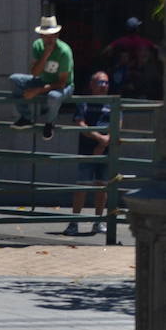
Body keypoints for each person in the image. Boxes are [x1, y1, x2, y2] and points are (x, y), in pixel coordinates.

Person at [64, 71, 112, 236]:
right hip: (86, 151)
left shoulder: (112, 103)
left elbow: (117, 126)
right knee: (81, 187)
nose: (104, 86)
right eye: (100, 83)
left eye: (106, 83)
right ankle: (74, 223)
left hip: (106, 153)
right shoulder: (83, 102)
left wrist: (104, 143)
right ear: (92, 85)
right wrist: (100, 138)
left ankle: (98, 222)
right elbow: (80, 124)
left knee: (102, 187)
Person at [9, 15, 72, 139]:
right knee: (14, 79)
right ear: (41, 36)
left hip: (64, 86)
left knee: (53, 96)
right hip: (43, 80)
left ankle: (50, 123)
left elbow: (62, 83)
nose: (50, 38)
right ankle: (26, 117)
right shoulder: (37, 46)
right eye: (47, 35)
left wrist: (38, 91)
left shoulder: (64, 51)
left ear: (57, 35)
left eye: (53, 35)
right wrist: (46, 54)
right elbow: (35, 73)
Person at [99, 17, 158, 99]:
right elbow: (156, 49)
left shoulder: (120, 41)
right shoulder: (143, 41)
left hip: (123, 75)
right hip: (139, 74)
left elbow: (105, 52)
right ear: (137, 29)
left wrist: (111, 63)